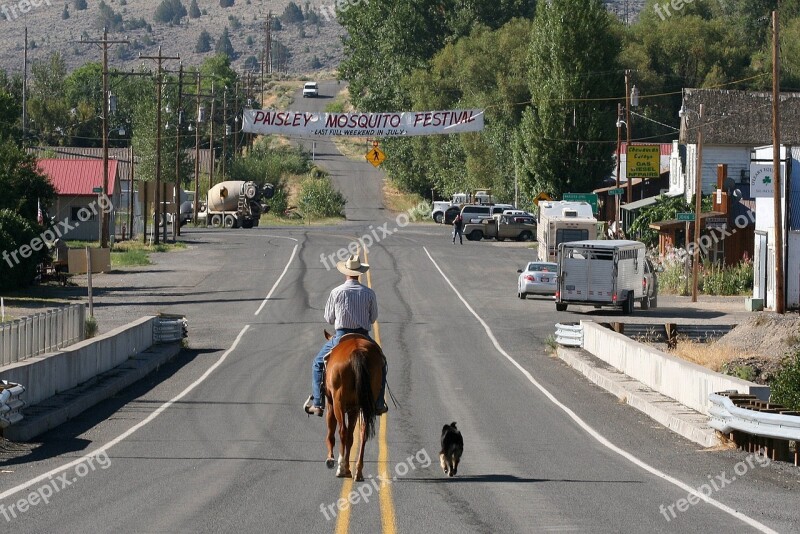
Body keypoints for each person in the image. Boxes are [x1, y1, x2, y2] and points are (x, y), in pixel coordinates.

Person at [304, 255, 388, 417]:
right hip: (363, 336)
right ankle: (378, 403)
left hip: (341, 336)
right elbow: (373, 318)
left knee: (317, 363)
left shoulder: (336, 292)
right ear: (359, 273)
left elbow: (328, 318)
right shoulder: (369, 293)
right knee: (382, 362)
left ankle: (318, 404)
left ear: (346, 273)